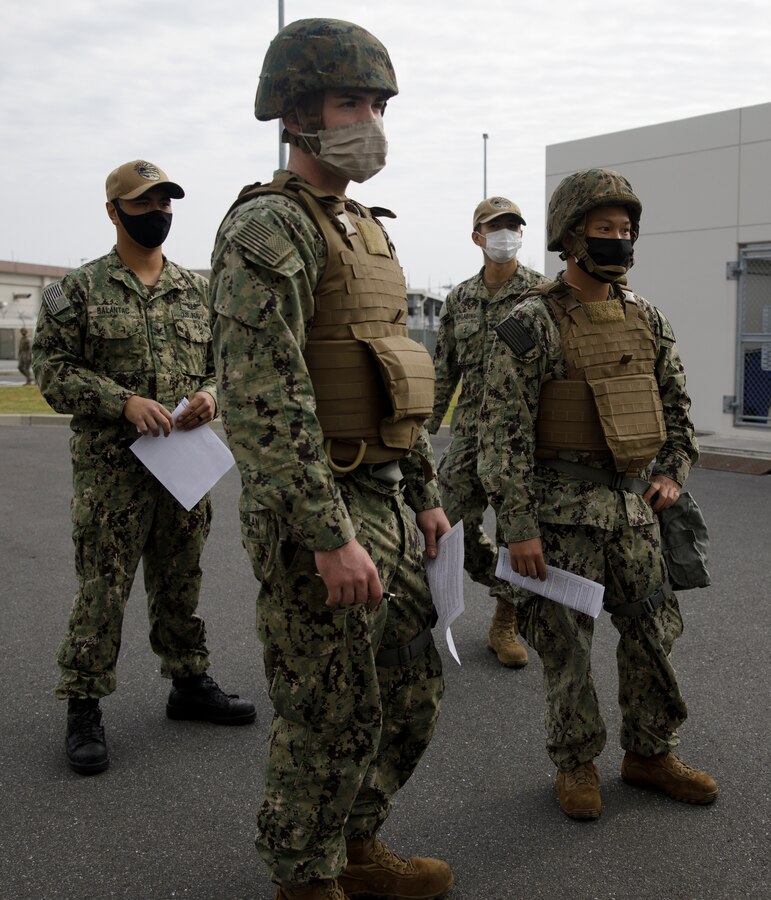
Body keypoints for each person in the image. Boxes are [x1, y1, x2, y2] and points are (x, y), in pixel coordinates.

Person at [209, 18, 454, 900]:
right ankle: (303, 876)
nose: (372, 121)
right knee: (328, 710)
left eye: (379, 104)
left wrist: (423, 494)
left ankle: (358, 844)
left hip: (388, 497)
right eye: (353, 101)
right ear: (295, 111)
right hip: (323, 510)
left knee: (410, 692)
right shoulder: (269, 229)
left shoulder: (367, 230)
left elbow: (400, 377)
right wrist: (324, 533)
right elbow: (264, 400)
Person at [479, 168, 718, 820]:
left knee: (651, 634)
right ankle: (574, 761)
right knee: (565, 648)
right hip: (559, 519)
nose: (617, 239)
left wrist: (671, 471)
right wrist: (519, 526)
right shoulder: (530, 326)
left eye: (624, 229)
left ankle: (649, 752)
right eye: (603, 228)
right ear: (569, 235)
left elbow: (675, 410)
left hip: (633, 512)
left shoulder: (646, 318)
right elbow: (499, 438)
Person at [32, 159, 256, 778]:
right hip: (112, 473)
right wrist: (121, 402)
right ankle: (84, 702)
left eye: (165, 201)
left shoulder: (195, 290)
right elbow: (50, 370)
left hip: (184, 468)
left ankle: (188, 681)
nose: (158, 212)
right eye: (143, 202)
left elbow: (226, 366)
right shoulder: (78, 291)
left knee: (181, 576)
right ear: (113, 211)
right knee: (103, 587)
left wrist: (213, 396)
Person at [427, 197, 548, 668]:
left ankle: (505, 620)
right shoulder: (460, 298)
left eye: (513, 226)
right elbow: (444, 372)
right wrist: (420, 434)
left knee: (521, 531)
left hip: (524, 442)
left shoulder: (542, 293)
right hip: (471, 436)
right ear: (477, 237)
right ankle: (503, 585)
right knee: (442, 524)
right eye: (495, 227)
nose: (505, 234)